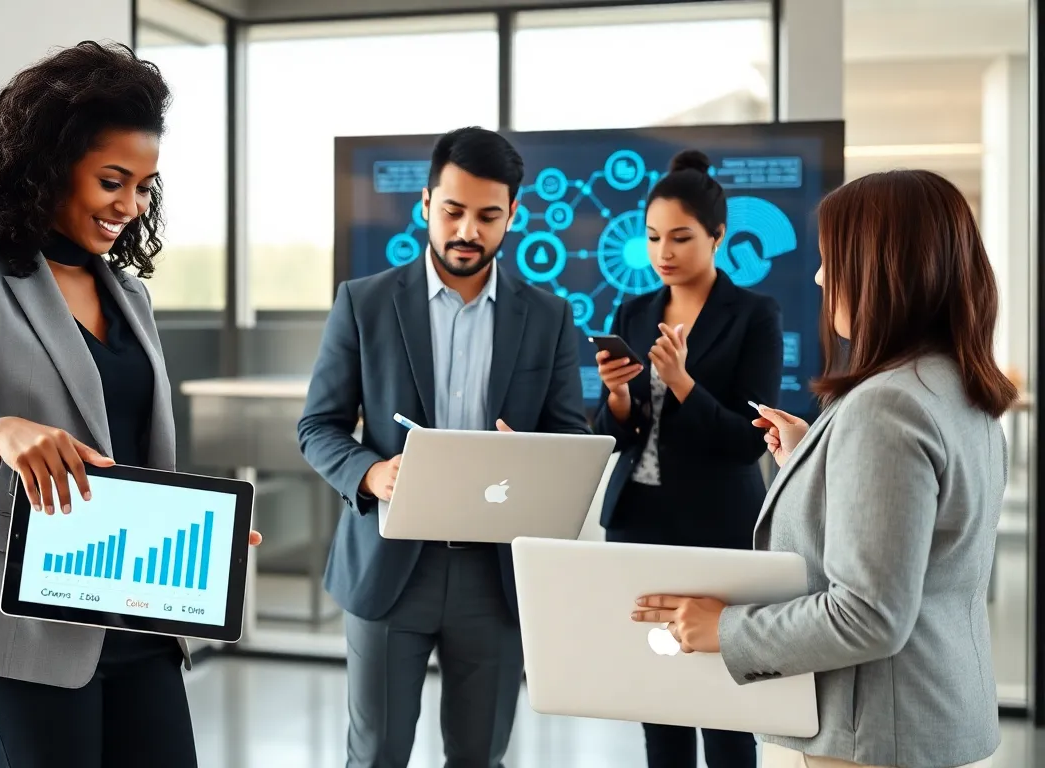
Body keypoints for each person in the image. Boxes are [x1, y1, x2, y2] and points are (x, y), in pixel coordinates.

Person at [0, 41, 259, 768]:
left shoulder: (131, 295)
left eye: (145, 186)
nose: (131, 206)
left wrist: (203, 540)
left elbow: (130, 456)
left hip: (141, 617)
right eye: (112, 181)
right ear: (50, 167)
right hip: (18, 628)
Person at [632, 169, 1011, 768]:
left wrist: (722, 630)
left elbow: (868, 615)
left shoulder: (887, 406)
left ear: (879, 269)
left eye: (832, 259)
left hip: (871, 736)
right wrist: (822, 457)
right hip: (936, 715)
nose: (819, 276)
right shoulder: (958, 388)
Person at [297, 126, 590, 768]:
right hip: (388, 567)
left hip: (496, 578)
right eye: (453, 211)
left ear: (513, 215)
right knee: (375, 756)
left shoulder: (548, 317)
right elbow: (317, 426)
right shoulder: (364, 303)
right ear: (426, 204)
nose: (467, 231)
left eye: (488, 216)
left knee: (480, 758)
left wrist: (534, 457)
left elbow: (572, 440)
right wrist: (371, 473)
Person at [592, 149, 781, 768]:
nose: (663, 252)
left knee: (723, 709)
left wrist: (681, 382)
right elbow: (619, 432)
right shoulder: (636, 310)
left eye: (680, 237)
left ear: (718, 236)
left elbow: (747, 440)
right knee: (659, 701)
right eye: (652, 238)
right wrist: (619, 395)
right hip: (638, 524)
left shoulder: (755, 315)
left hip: (716, 529)